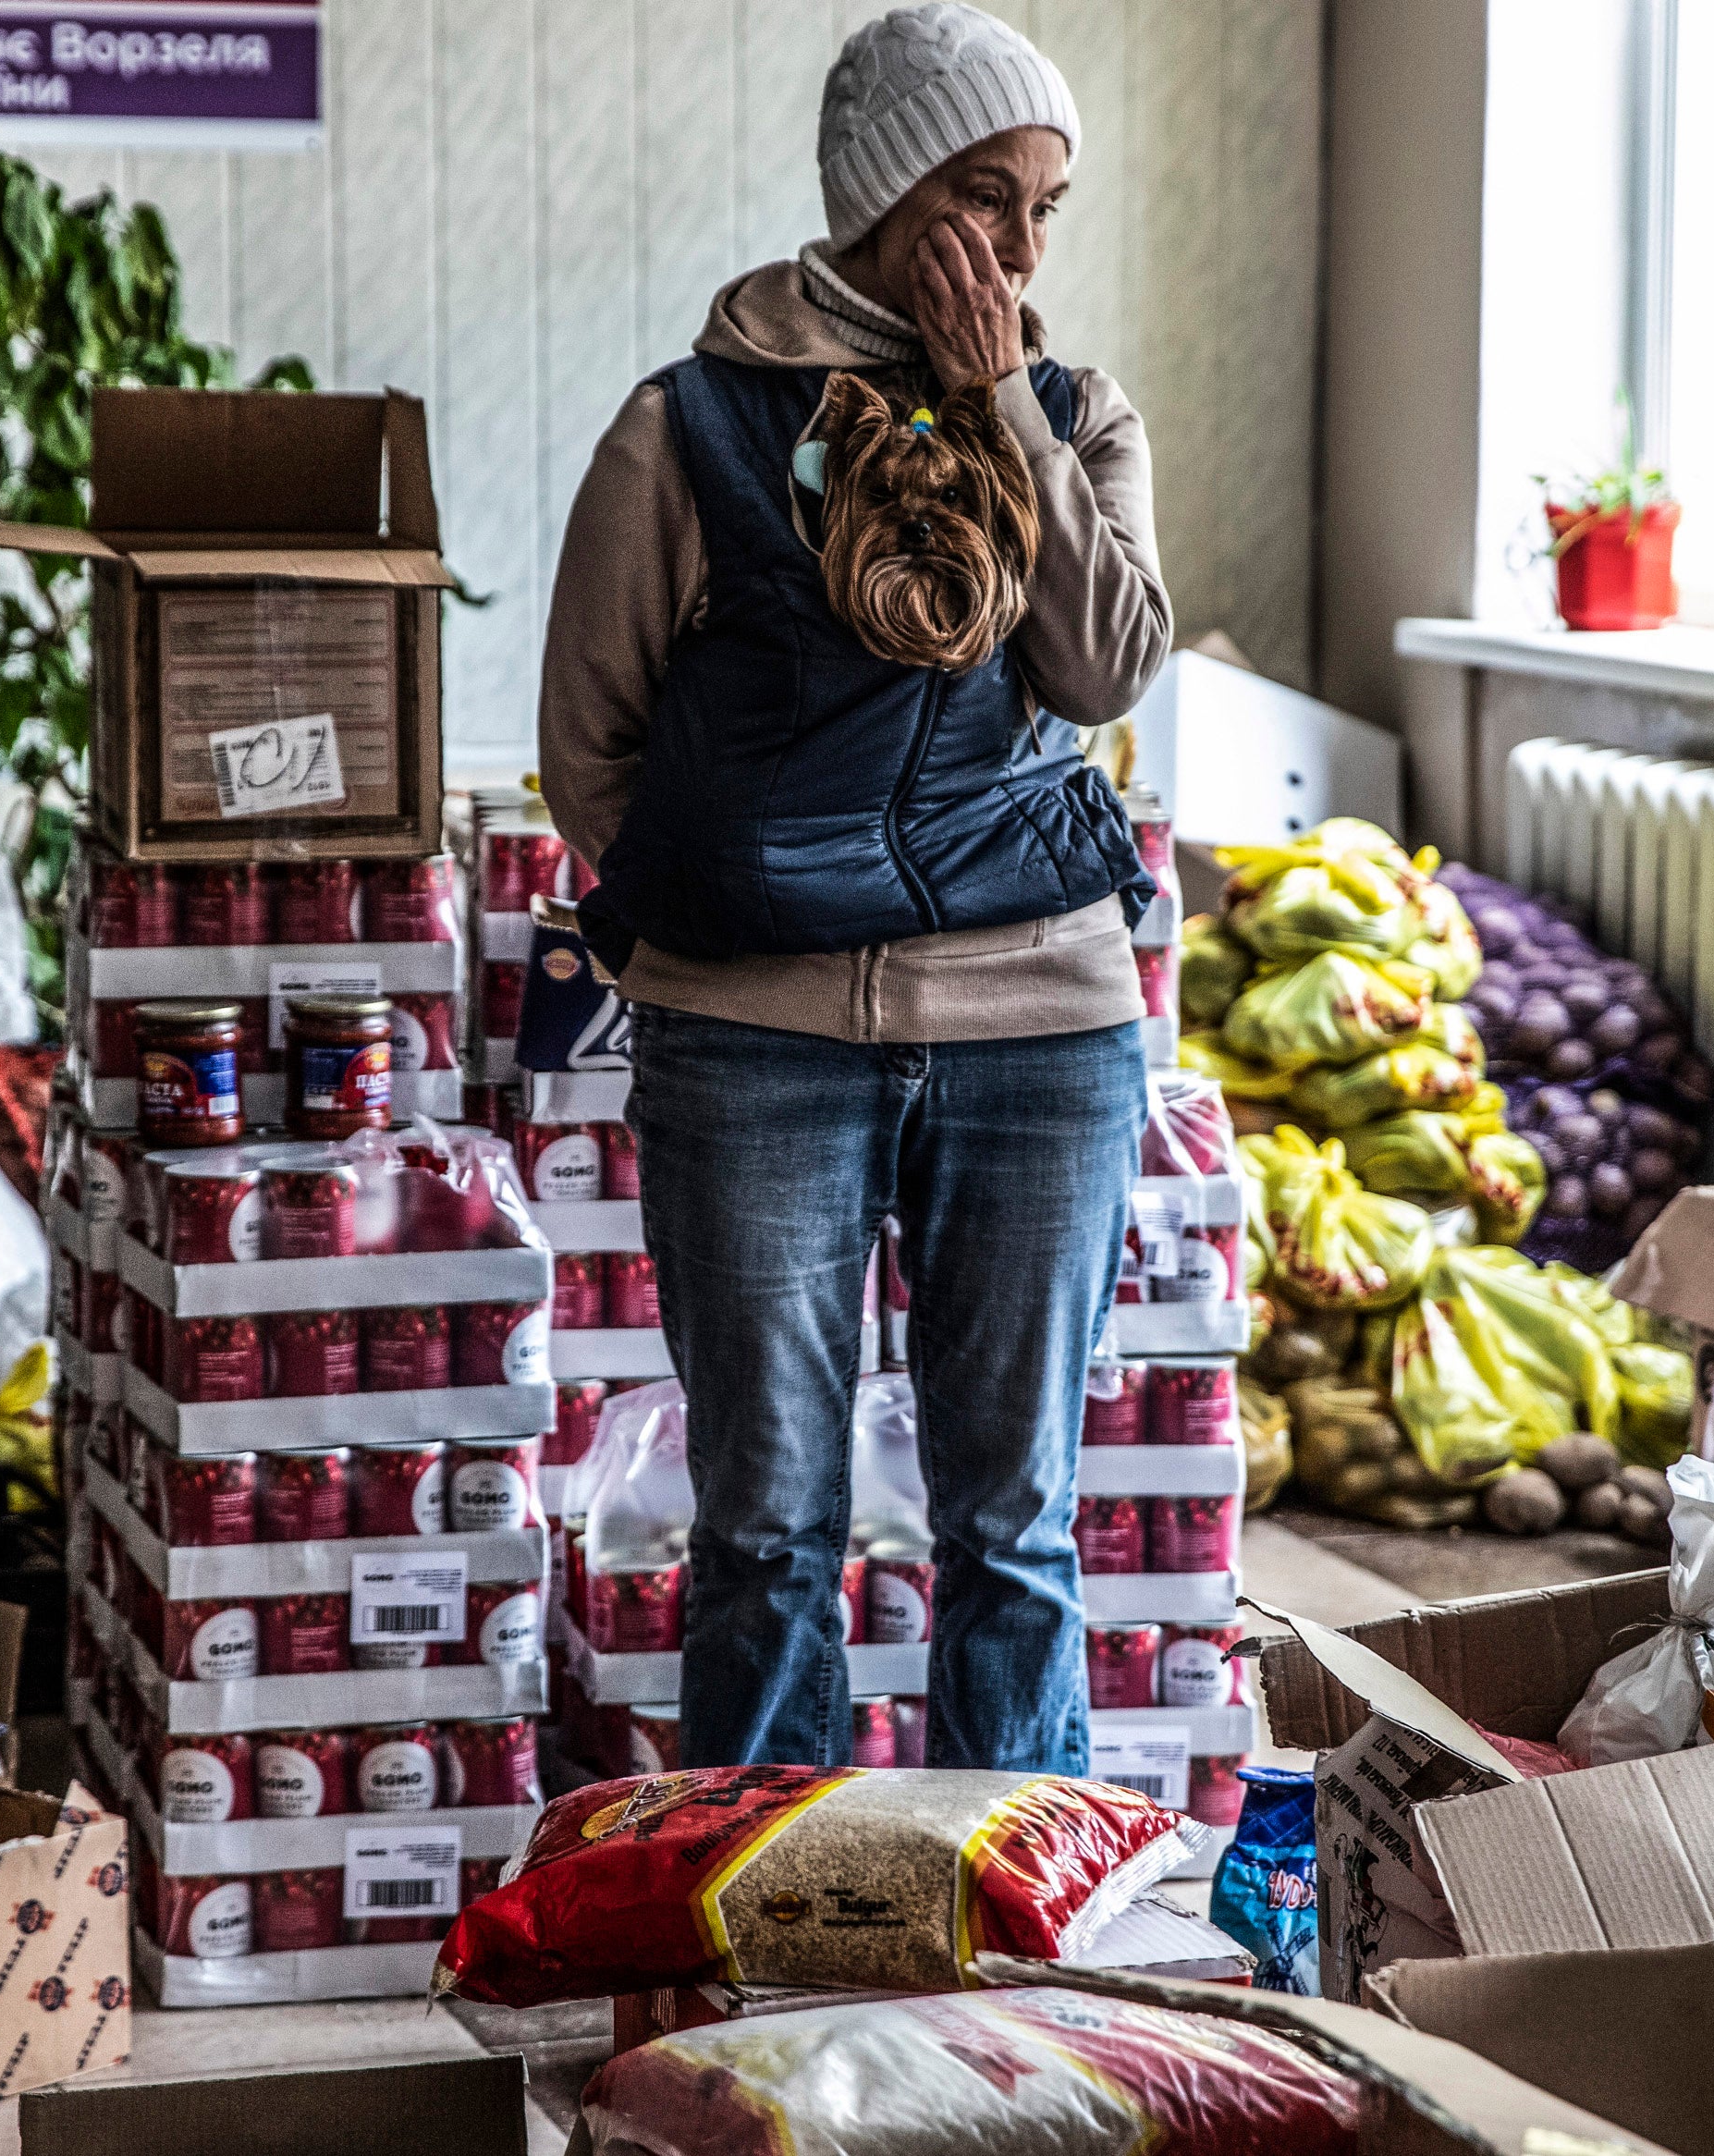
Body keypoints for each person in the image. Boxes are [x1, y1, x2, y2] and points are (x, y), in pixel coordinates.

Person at [541, 3, 1171, 1774]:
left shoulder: (1076, 411)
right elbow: (589, 750)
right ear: (885, 200)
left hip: (1041, 1029)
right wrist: (743, 906)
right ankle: (769, 1938)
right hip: (754, 1042)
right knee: (763, 1536)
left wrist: (999, 414)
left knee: (1015, 1534)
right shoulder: (688, 426)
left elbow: (1106, 666)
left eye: (1049, 206)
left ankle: (1012, 1940)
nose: (1023, 248)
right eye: (985, 196)